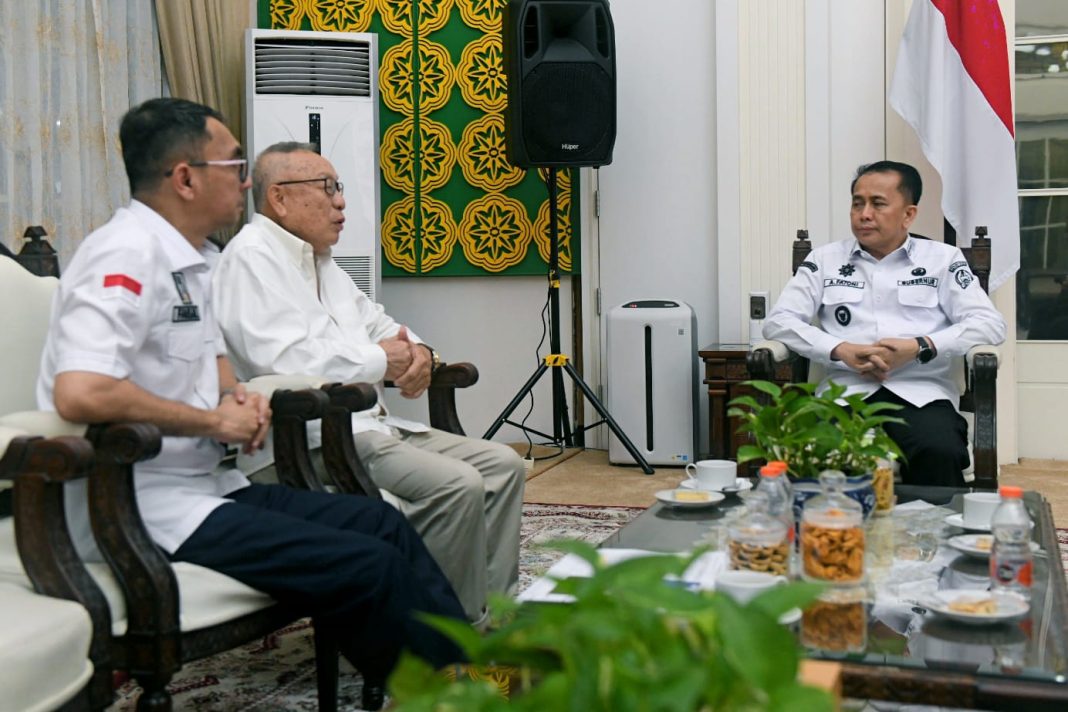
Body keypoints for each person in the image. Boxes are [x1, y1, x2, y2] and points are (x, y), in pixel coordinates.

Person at [36, 98, 467, 691]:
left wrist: (237, 399)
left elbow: (213, 369)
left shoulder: (196, 260)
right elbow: (80, 391)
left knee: (380, 525)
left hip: (207, 488)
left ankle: (469, 678)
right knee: (365, 564)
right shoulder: (123, 256)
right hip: (133, 504)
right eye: (233, 166)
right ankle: (442, 699)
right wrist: (210, 422)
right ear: (185, 178)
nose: (245, 182)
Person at [212, 142, 525, 625]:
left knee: (504, 464)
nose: (341, 202)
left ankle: (496, 617)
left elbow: (381, 326)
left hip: (371, 429)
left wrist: (421, 355)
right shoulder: (250, 259)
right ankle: (447, 635)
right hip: (310, 441)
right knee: (457, 485)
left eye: (339, 188)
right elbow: (284, 361)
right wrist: (383, 361)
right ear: (279, 198)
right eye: (328, 188)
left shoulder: (320, 262)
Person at [763, 160, 1007, 486]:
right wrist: (839, 349)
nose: (864, 214)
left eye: (878, 204)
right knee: (821, 451)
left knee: (939, 449)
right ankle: (833, 533)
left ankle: (933, 533)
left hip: (921, 394)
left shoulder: (943, 260)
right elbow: (779, 321)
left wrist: (920, 347)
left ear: (908, 214)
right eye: (857, 203)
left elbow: (989, 323)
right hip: (844, 394)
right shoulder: (824, 260)